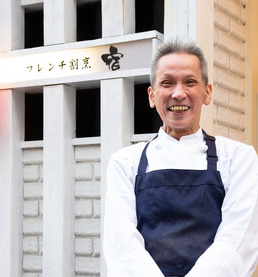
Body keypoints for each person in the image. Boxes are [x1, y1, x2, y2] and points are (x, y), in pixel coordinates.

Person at [103, 38, 258, 277]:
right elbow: (122, 246)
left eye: (190, 82)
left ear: (207, 92)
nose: (178, 93)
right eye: (167, 83)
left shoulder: (239, 158)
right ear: (152, 96)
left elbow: (239, 242)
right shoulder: (125, 163)